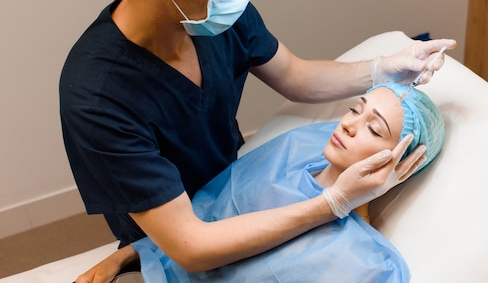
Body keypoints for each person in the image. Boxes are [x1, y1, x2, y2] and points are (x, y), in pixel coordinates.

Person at [59, 0, 456, 282]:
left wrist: (383, 67)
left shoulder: (213, 16)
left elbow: (297, 76)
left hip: (242, 185)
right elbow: (192, 247)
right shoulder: (97, 95)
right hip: (172, 234)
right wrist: (333, 202)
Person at [129, 83, 446, 282]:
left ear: (401, 162)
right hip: (155, 267)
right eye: (355, 109)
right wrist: (130, 254)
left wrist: (348, 203)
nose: (349, 124)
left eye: (374, 129)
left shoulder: (365, 261)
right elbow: (206, 215)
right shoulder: (295, 150)